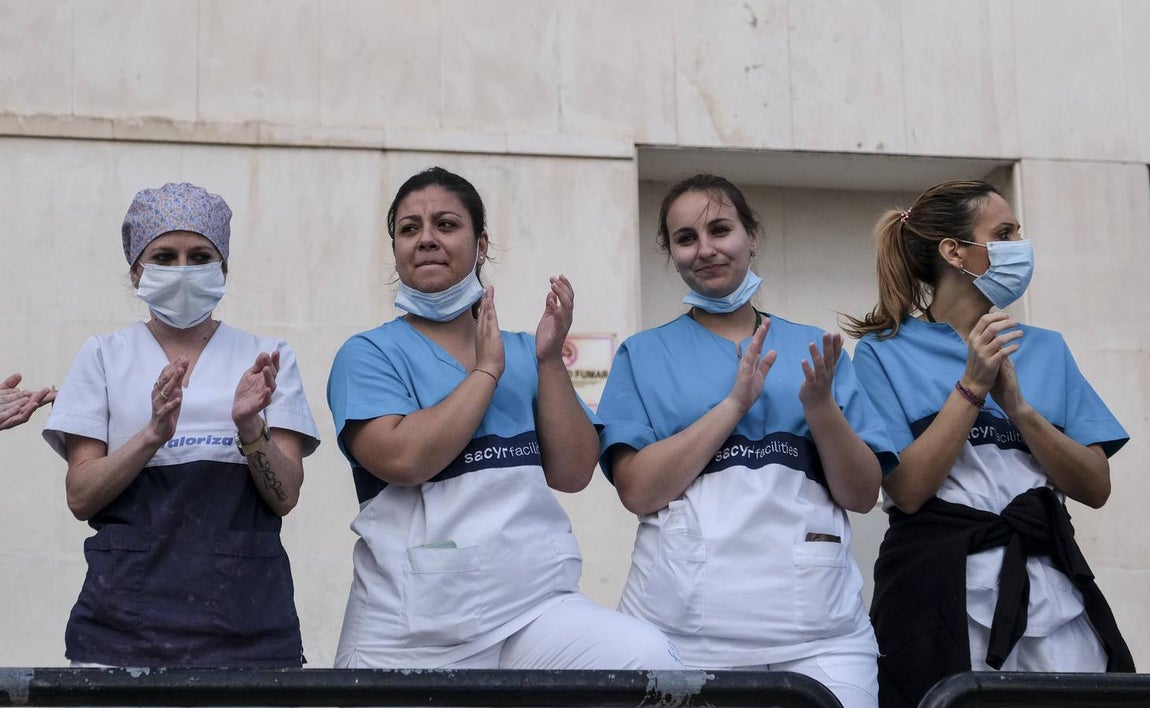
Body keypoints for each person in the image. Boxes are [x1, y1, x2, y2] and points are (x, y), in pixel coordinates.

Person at [326, 166, 679, 670]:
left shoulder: (527, 353)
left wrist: (551, 361)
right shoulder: (369, 354)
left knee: (651, 660)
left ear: (481, 243)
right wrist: (486, 372)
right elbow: (403, 459)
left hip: (535, 610)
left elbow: (575, 472)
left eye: (445, 225)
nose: (426, 239)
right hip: (410, 627)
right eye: (409, 229)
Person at [596, 174, 897, 708]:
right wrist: (734, 405)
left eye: (720, 229)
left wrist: (822, 409)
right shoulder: (643, 355)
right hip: (682, 634)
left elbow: (862, 494)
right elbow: (638, 492)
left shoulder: (815, 349)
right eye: (686, 239)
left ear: (752, 235)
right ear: (673, 254)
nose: (706, 249)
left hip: (819, 635)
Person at [844, 179, 1134, 708]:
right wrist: (973, 387)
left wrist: (1022, 411)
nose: (1020, 246)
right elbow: (907, 491)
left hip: (1051, 586)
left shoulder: (1047, 348)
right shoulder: (883, 354)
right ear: (954, 252)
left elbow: (1095, 486)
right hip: (938, 591)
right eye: (1004, 234)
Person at [42, 182, 320, 668]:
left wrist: (250, 426)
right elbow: (81, 496)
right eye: (164, 257)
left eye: (200, 256)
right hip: (123, 629)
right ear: (136, 271)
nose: (183, 270)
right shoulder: (104, 357)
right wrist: (151, 436)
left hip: (247, 630)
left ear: (224, 269)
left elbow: (286, 496)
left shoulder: (266, 358)